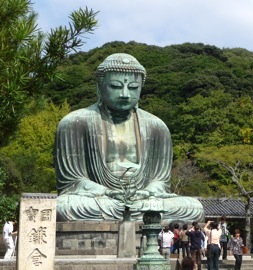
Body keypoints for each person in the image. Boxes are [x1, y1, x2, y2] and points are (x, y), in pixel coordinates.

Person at [54, 53, 204, 222]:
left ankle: (137, 213)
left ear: (141, 88)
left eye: (133, 87)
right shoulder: (75, 123)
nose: (125, 94)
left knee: (193, 207)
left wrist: (147, 192)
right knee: (63, 206)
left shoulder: (157, 127)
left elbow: (160, 182)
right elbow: (72, 182)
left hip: (143, 200)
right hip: (101, 200)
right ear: (99, 87)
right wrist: (106, 192)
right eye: (116, 86)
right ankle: (138, 215)